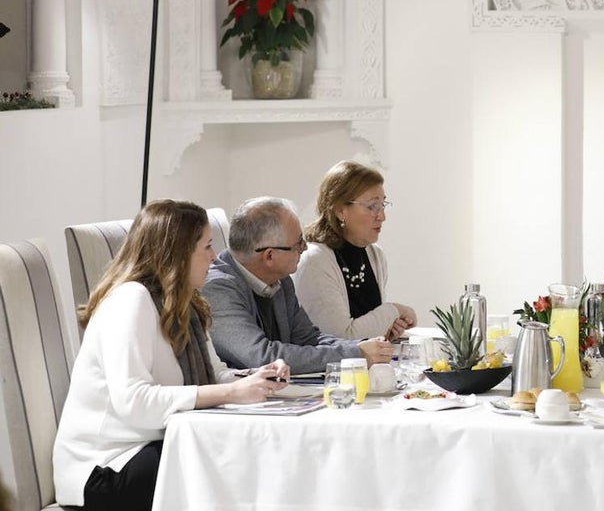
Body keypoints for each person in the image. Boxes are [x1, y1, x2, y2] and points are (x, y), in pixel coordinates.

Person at [52, 200, 289, 511]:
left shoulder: (186, 303)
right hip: (107, 466)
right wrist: (232, 392)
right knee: (225, 465)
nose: (214, 256)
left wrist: (257, 377)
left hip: (156, 446)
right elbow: (133, 402)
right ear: (177, 253)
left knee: (248, 454)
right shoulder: (130, 300)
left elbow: (216, 375)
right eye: (206, 247)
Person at [201, 196, 393, 374]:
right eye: (298, 243)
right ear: (270, 256)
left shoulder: (280, 278)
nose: (305, 247)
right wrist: (356, 355)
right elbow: (261, 357)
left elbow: (308, 339)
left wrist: (362, 347)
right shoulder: (218, 288)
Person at [296, 160, 417, 340]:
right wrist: (393, 311)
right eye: (372, 207)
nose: (382, 216)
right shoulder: (315, 260)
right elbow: (341, 338)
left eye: (382, 205)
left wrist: (387, 331)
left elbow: (367, 334)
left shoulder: (375, 255)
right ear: (340, 211)